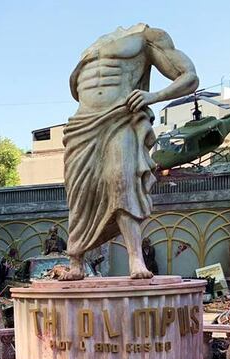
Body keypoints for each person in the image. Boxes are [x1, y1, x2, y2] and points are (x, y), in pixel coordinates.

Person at [62, 24, 198, 280]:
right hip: (82, 125)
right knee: (79, 192)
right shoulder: (90, 48)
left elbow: (188, 76)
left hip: (121, 118)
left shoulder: (147, 36)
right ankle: (76, 261)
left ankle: (136, 258)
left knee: (121, 180)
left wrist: (154, 96)